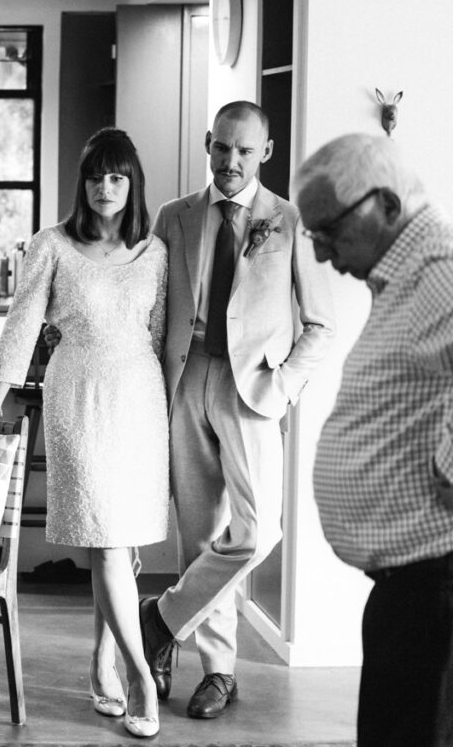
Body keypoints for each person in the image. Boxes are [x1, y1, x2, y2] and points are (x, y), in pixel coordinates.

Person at [129, 101, 337, 719]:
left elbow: (321, 324)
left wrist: (285, 386)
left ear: (264, 152)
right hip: (185, 377)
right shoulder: (174, 216)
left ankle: (161, 620)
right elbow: (149, 306)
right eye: (222, 147)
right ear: (207, 143)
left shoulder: (290, 221)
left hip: (254, 390)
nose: (231, 160)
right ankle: (218, 673)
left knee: (257, 531)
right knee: (200, 536)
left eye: (245, 150)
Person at [0, 127, 169, 738]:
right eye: (96, 176)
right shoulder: (50, 245)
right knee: (107, 539)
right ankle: (140, 675)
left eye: (117, 177)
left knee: (118, 542)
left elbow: (159, 336)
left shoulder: (155, 251)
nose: (105, 187)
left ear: (132, 184)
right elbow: (22, 324)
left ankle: (102, 664)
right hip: (77, 395)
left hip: (139, 400)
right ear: (83, 183)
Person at [295, 133, 453, 747]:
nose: (321, 251)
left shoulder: (440, 271)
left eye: (329, 230)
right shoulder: (407, 278)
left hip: (437, 588)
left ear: (386, 204)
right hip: (412, 588)